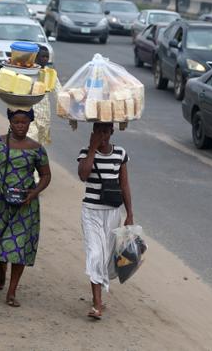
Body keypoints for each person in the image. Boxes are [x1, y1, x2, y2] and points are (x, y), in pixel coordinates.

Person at [0, 108, 51, 307]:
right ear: (10, 122)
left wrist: (35, 192)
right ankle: (2, 269)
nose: (20, 126)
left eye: (24, 122)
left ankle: (12, 292)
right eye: (16, 122)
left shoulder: (37, 149)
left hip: (24, 205)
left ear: (30, 123)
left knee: (18, 246)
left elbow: (46, 175)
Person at [77, 122, 134, 320]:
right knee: (95, 253)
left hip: (112, 213)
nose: (103, 135)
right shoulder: (85, 152)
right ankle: (96, 304)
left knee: (106, 256)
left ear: (112, 132)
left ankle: (99, 298)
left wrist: (130, 214)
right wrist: (92, 149)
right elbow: (83, 175)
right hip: (91, 212)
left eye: (106, 131)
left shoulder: (120, 154)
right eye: (99, 131)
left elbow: (124, 184)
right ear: (93, 132)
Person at [27, 46, 61, 146]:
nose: (45, 59)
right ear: (36, 57)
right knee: (30, 139)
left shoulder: (50, 74)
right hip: (29, 114)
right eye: (43, 56)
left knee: (40, 146)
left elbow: (59, 93)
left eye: (47, 57)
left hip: (44, 115)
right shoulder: (29, 72)